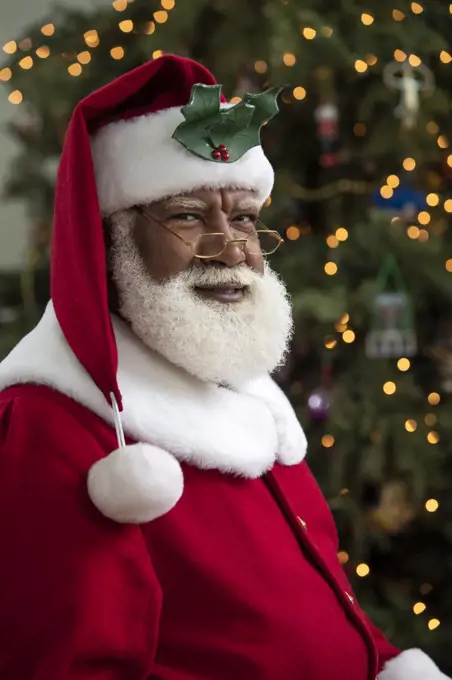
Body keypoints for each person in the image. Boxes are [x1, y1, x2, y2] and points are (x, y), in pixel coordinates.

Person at [0, 54, 447, 680]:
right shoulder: (53, 422)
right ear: (112, 240)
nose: (231, 245)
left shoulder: (245, 395)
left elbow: (327, 613)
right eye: (186, 215)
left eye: (243, 218)